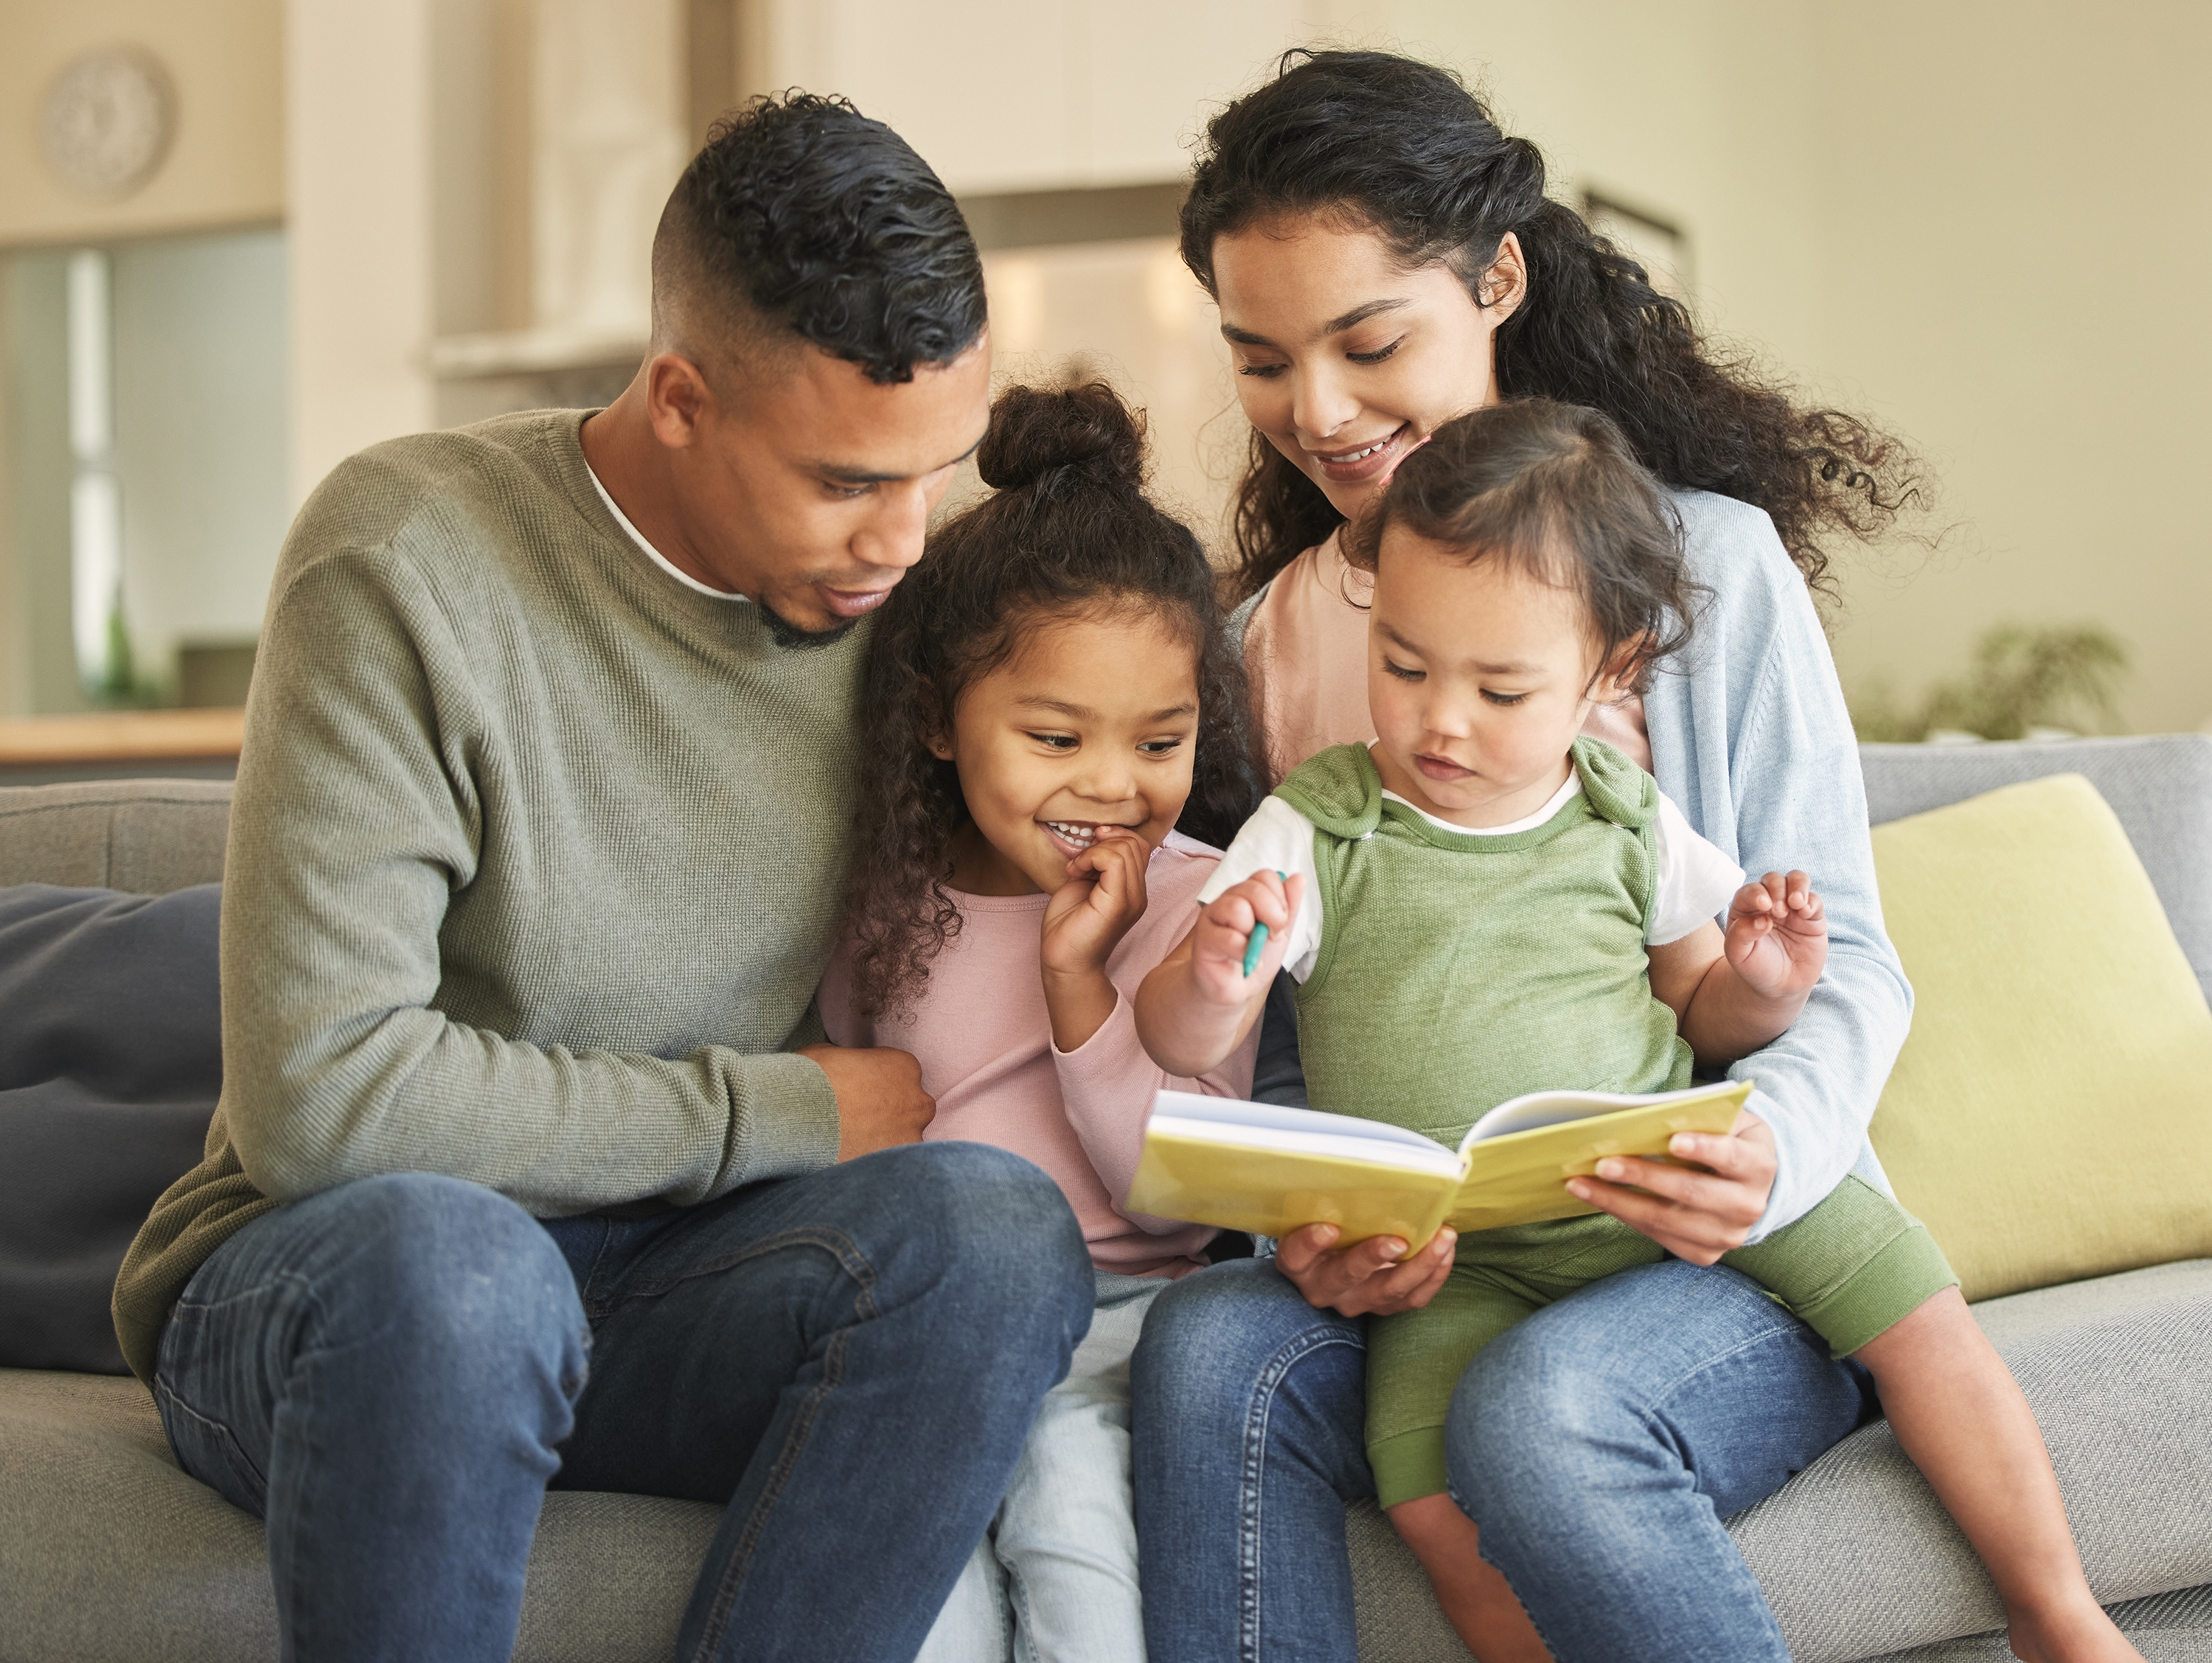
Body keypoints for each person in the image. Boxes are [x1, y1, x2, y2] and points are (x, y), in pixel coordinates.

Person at [111, 94, 1099, 1663]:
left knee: (991, 1236)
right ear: (682, 399)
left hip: (671, 1285)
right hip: (348, 1280)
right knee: (462, 1269)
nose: (906, 540)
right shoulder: (412, 558)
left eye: (937, 471)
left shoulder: (909, 594)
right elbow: (322, 1098)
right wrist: (767, 1111)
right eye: (845, 480)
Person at [1123, 48, 1989, 1663]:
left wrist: (1766, 1164)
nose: (1315, 410)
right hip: (1446, 1267)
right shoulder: (1261, 643)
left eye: (1368, 341)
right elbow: (1287, 1048)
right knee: (1203, 1358)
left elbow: (1842, 958)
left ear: (1498, 278)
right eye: (1259, 361)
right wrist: (1320, 1226)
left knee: (1539, 1409)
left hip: (1712, 1242)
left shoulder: (1707, 576)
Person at [1136, 400, 2141, 1663]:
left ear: (1610, 670)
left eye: (1500, 688)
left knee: (1920, 1317)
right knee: (1434, 1503)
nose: (1440, 721)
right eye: (1403, 665)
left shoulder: (1622, 810)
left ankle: (2058, 1611)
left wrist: (1764, 988)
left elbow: (1698, 1003)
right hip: (1468, 1256)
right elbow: (1178, 1038)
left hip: (1666, 1185)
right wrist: (1215, 989)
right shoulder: (1320, 823)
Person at [818, 380, 1263, 1663]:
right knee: (922, 1609)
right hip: (931, 1336)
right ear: (939, 722)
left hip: (1112, 1331)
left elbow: (1178, 1202)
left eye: (1160, 738)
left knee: (1083, 1572)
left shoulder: (1200, 905)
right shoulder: (886, 899)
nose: (1112, 785)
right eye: (1055, 735)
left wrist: (1081, 993)